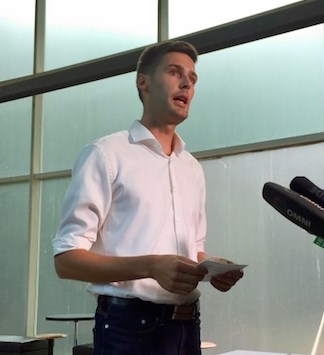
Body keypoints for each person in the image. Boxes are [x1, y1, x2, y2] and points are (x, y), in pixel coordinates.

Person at [52, 40, 244, 354]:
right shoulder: (105, 154)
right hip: (128, 327)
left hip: (186, 325)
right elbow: (67, 261)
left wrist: (210, 266)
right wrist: (152, 267)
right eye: (174, 72)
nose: (186, 83)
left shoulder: (191, 167)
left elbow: (192, 251)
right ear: (143, 81)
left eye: (193, 79)